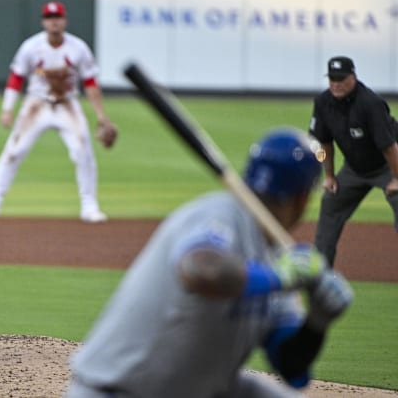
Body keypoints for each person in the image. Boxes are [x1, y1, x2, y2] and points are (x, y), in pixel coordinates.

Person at [66, 128, 353, 398]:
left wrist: (316, 322)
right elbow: (201, 271)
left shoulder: (280, 259)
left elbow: (290, 366)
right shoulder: (220, 215)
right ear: (303, 198)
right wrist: (278, 278)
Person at [0, 1, 118, 223]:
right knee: (14, 150)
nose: (54, 22)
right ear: (44, 22)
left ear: (64, 20)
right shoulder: (31, 46)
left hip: (67, 104)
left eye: (58, 17)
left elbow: (90, 82)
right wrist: (7, 109)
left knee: (83, 152)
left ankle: (90, 207)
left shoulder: (78, 47)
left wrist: (102, 116)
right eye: (50, 18)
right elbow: (16, 77)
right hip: (37, 104)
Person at [309, 56, 398, 267]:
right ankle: (321, 273)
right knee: (330, 202)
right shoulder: (323, 102)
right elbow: (323, 144)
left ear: (354, 77)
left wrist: (396, 178)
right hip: (355, 169)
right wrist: (329, 176)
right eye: (332, 79)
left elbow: (389, 146)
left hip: (389, 163)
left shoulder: (370, 103)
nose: (336, 84)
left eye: (341, 79)